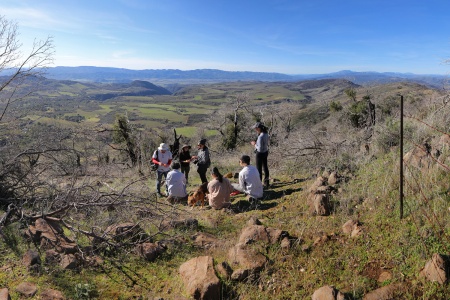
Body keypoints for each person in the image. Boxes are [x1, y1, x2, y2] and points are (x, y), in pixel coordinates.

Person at [250, 122, 270, 189]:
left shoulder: (261, 136)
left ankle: (259, 185)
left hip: (260, 153)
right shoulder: (266, 134)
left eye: (256, 128)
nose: (255, 129)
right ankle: (266, 182)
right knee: (265, 167)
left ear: (259, 128)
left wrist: (254, 144)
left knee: (259, 169)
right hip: (265, 152)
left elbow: (260, 148)